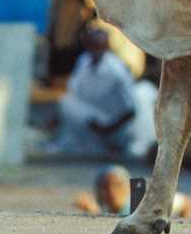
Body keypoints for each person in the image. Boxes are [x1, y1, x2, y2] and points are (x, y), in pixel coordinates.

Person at [45, 28, 137, 157]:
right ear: (87, 45)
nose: (96, 49)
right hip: (95, 119)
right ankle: (92, 146)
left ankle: (110, 146)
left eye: (99, 46)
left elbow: (131, 109)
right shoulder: (83, 61)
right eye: (93, 45)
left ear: (107, 46)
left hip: (116, 126)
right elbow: (73, 93)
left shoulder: (116, 69)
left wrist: (108, 129)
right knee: (65, 102)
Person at [72, 163, 191, 219]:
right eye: (105, 186)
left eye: (117, 185)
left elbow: (186, 202)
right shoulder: (106, 208)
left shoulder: (142, 202)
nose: (111, 191)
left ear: (127, 187)